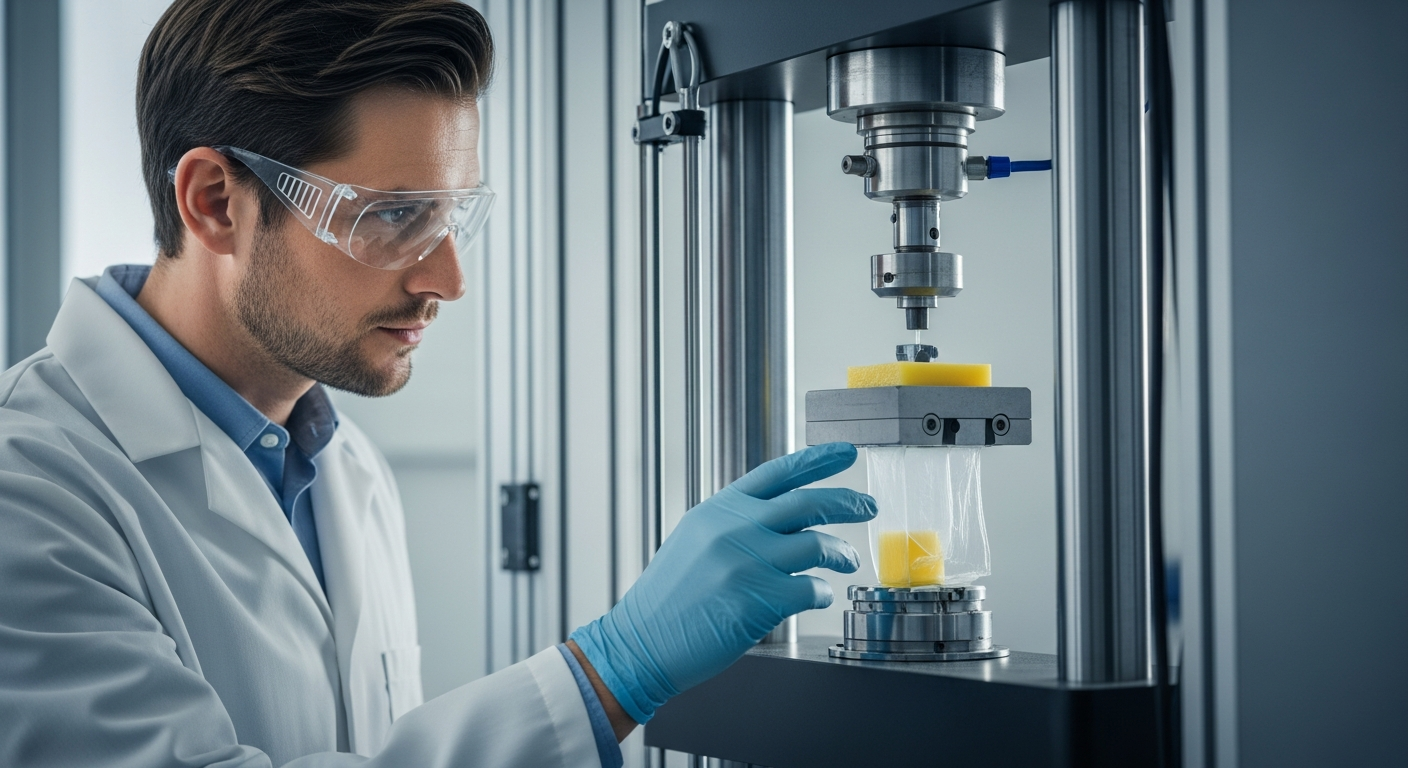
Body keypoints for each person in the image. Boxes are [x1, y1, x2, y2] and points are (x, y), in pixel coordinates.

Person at [0, 1, 875, 766]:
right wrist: (610, 673)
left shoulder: (344, 469)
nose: (448, 279)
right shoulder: (31, 491)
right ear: (216, 202)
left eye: (451, 214)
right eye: (392, 215)